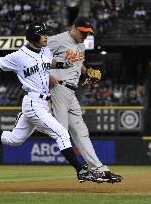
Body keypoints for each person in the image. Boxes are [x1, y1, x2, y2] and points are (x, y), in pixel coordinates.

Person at [0, 22, 101, 183]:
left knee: (15, 139)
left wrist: (64, 64)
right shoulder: (19, 56)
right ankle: (81, 171)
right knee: (62, 133)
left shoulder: (45, 51)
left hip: (43, 102)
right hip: (33, 102)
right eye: (43, 35)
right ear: (34, 37)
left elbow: (48, 63)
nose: (46, 37)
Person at [47, 17, 123, 183]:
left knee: (81, 132)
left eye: (88, 33)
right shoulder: (56, 40)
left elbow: (77, 64)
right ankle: (27, 117)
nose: (85, 36)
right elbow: (33, 57)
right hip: (57, 88)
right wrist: (46, 76)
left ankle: (100, 169)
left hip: (72, 92)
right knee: (60, 131)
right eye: (82, 32)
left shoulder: (81, 44)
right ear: (73, 28)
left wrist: (87, 71)